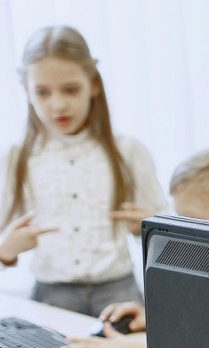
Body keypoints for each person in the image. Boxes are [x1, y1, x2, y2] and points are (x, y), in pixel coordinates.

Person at [57, 144, 209, 348]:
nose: (182, 230)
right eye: (179, 218)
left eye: (192, 219)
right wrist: (156, 319)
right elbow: (206, 323)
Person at [0, 26, 167, 317]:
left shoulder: (128, 151)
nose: (58, 104)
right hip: (50, 298)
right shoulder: (18, 159)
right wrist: (6, 250)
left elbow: (170, 237)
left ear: (93, 84)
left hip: (120, 295)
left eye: (71, 89)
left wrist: (147, 227)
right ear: (25, 89)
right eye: (42, 92)